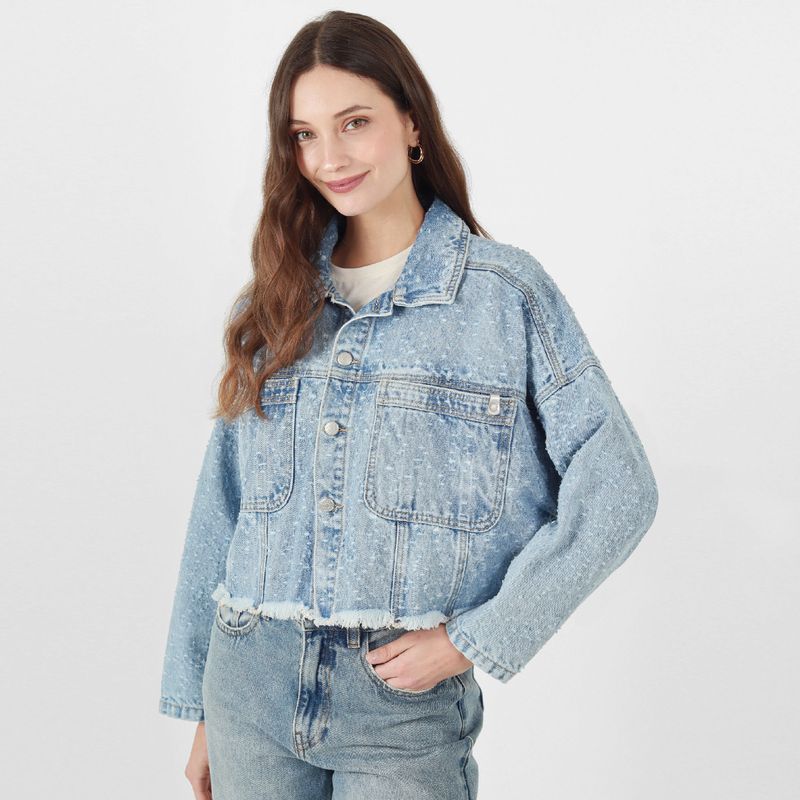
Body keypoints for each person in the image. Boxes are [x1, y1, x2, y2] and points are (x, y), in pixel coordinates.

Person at [158, 10, 659, 800]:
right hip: (248, 686)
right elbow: (222, 508)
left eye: (354, 122)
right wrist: (199, 709)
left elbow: (619, 487)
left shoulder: (502, 296)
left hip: (401, 704)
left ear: (412, 123)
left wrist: (474, 639)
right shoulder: (272, 304)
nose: (330, 158)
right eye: (304, 135)